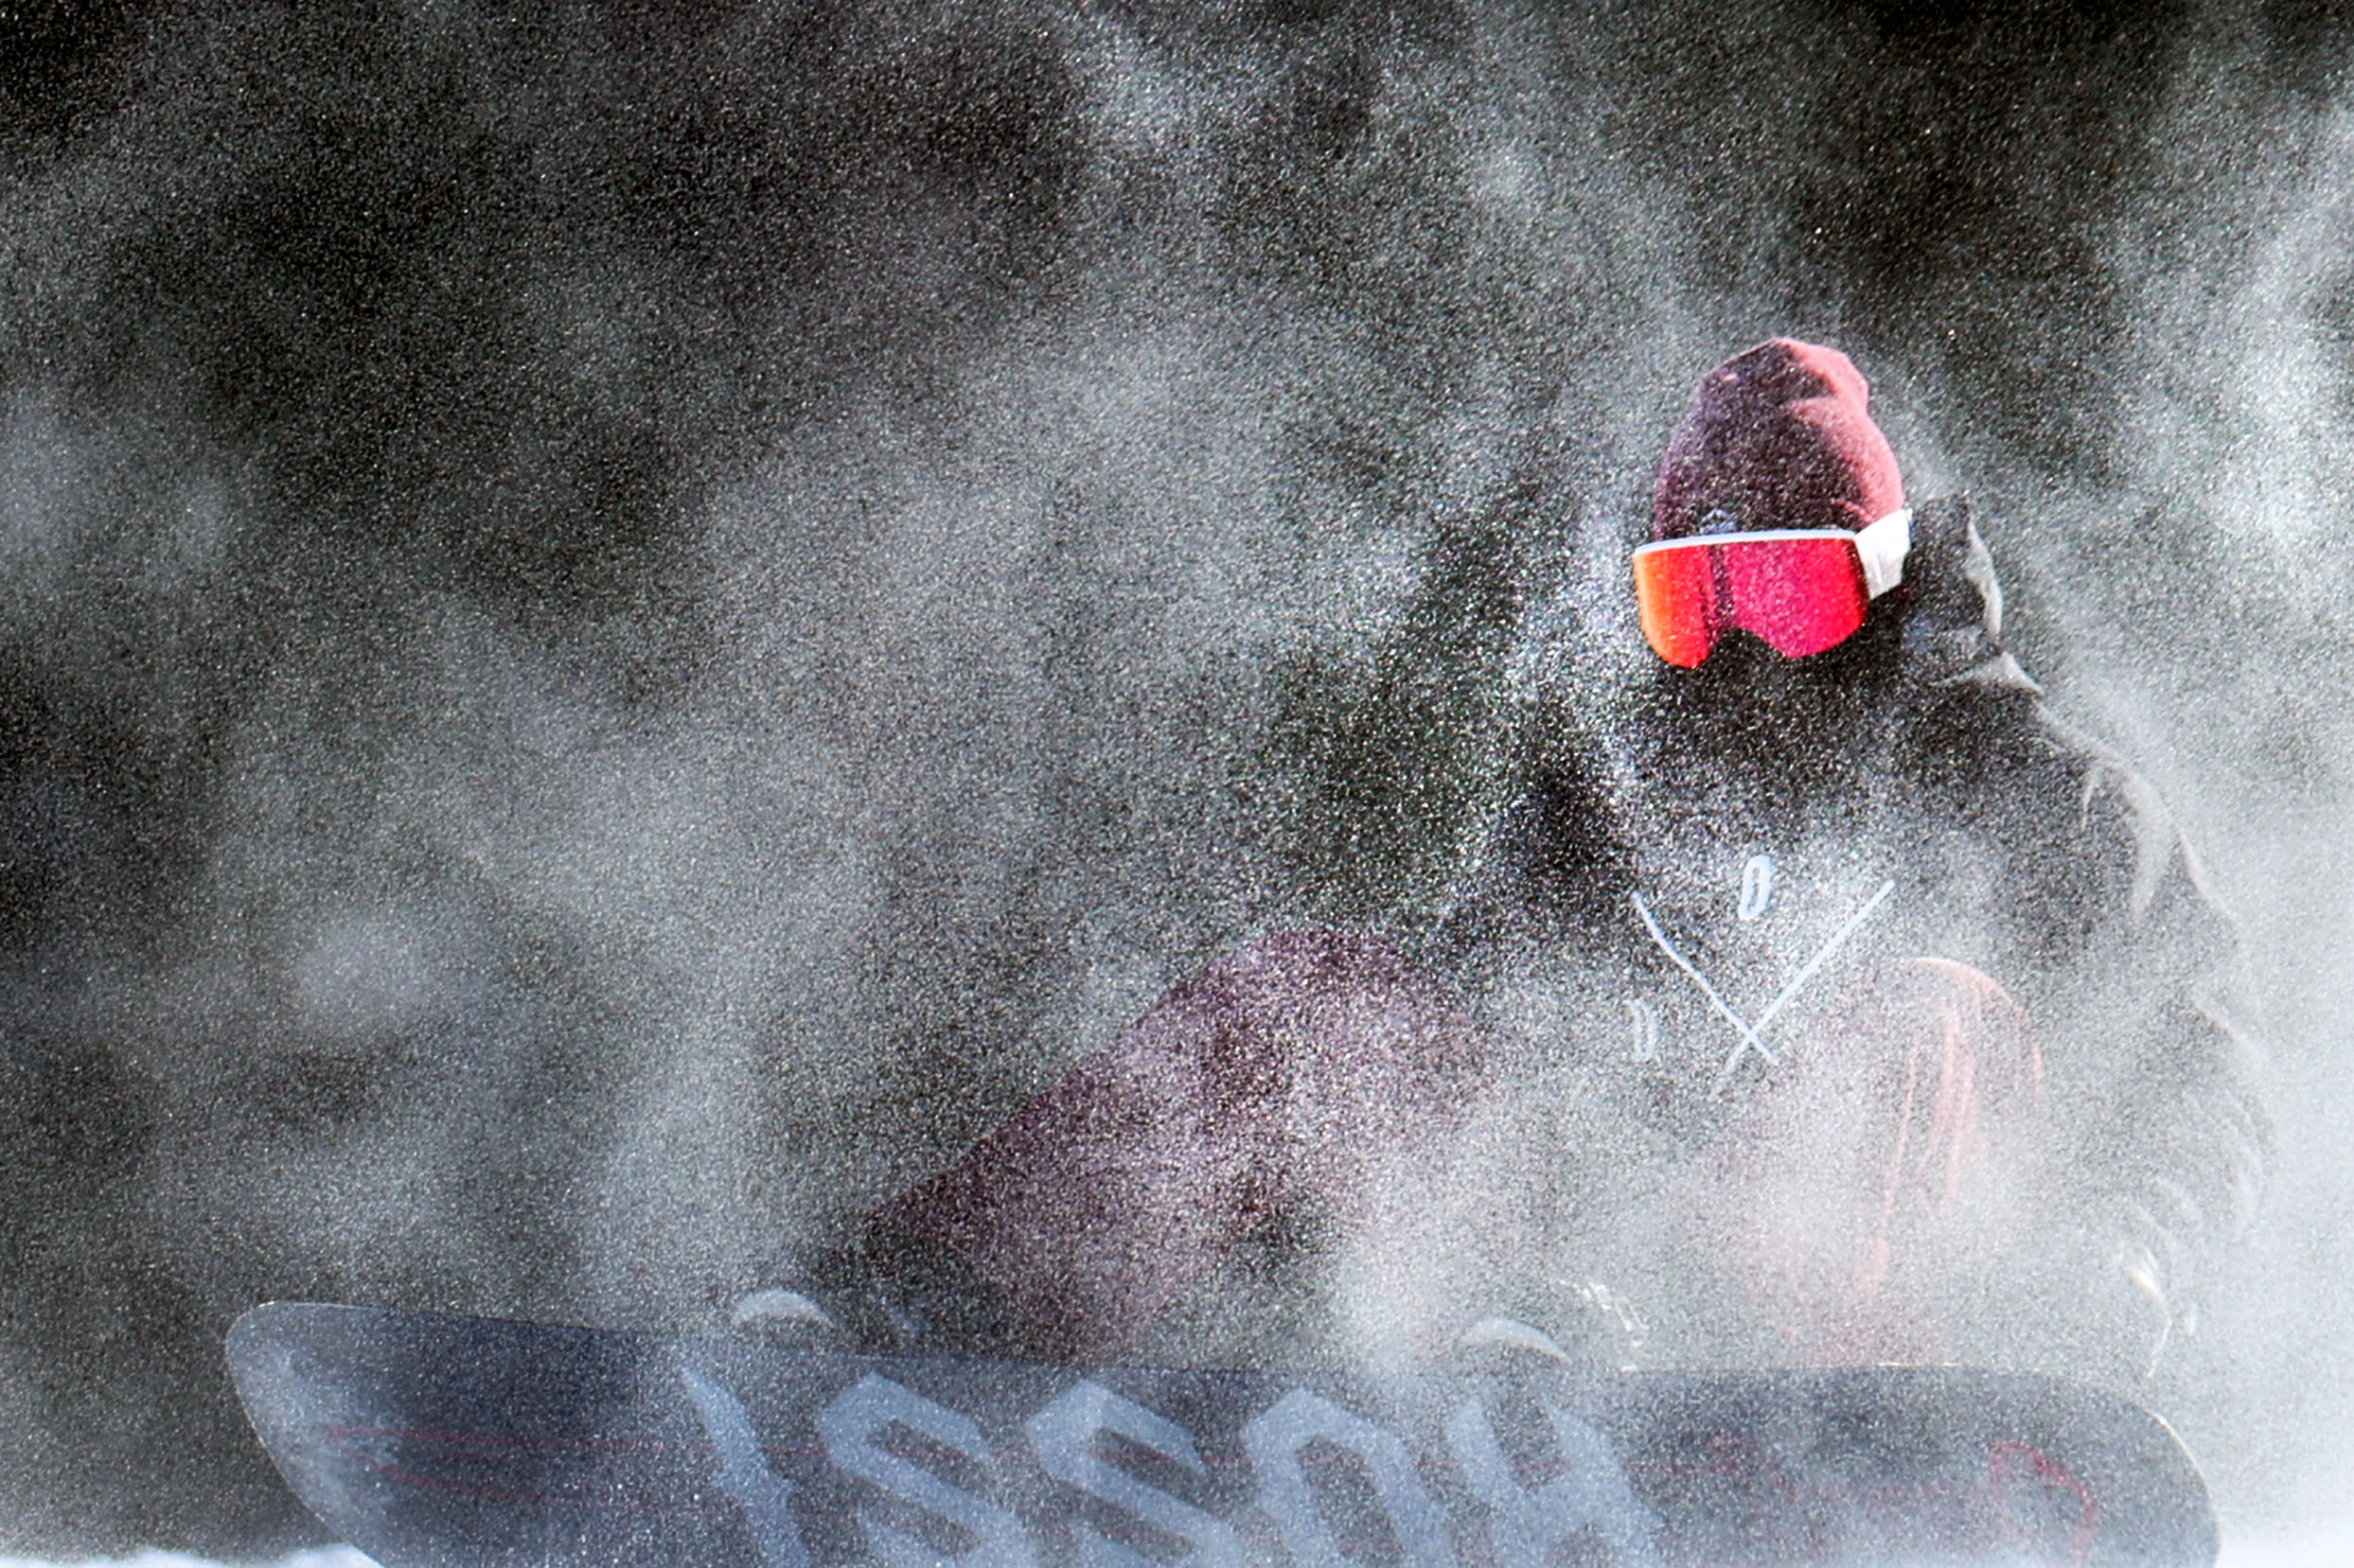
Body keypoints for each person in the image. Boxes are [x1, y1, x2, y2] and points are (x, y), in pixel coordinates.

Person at [741, 339, 2265, 1386]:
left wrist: (2126, 1257)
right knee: (1319, 997)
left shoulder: (2035, 802)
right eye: (1692, 602)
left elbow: (2200, 1070)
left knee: (1931, 1007)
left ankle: (1677, 1352)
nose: (1738, 651)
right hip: (1552, 1334)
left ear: (1879, 585)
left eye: (1788, 596)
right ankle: (923, 1321)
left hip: (1853, 1354)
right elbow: (1446, 1053)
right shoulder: (1597, 818)